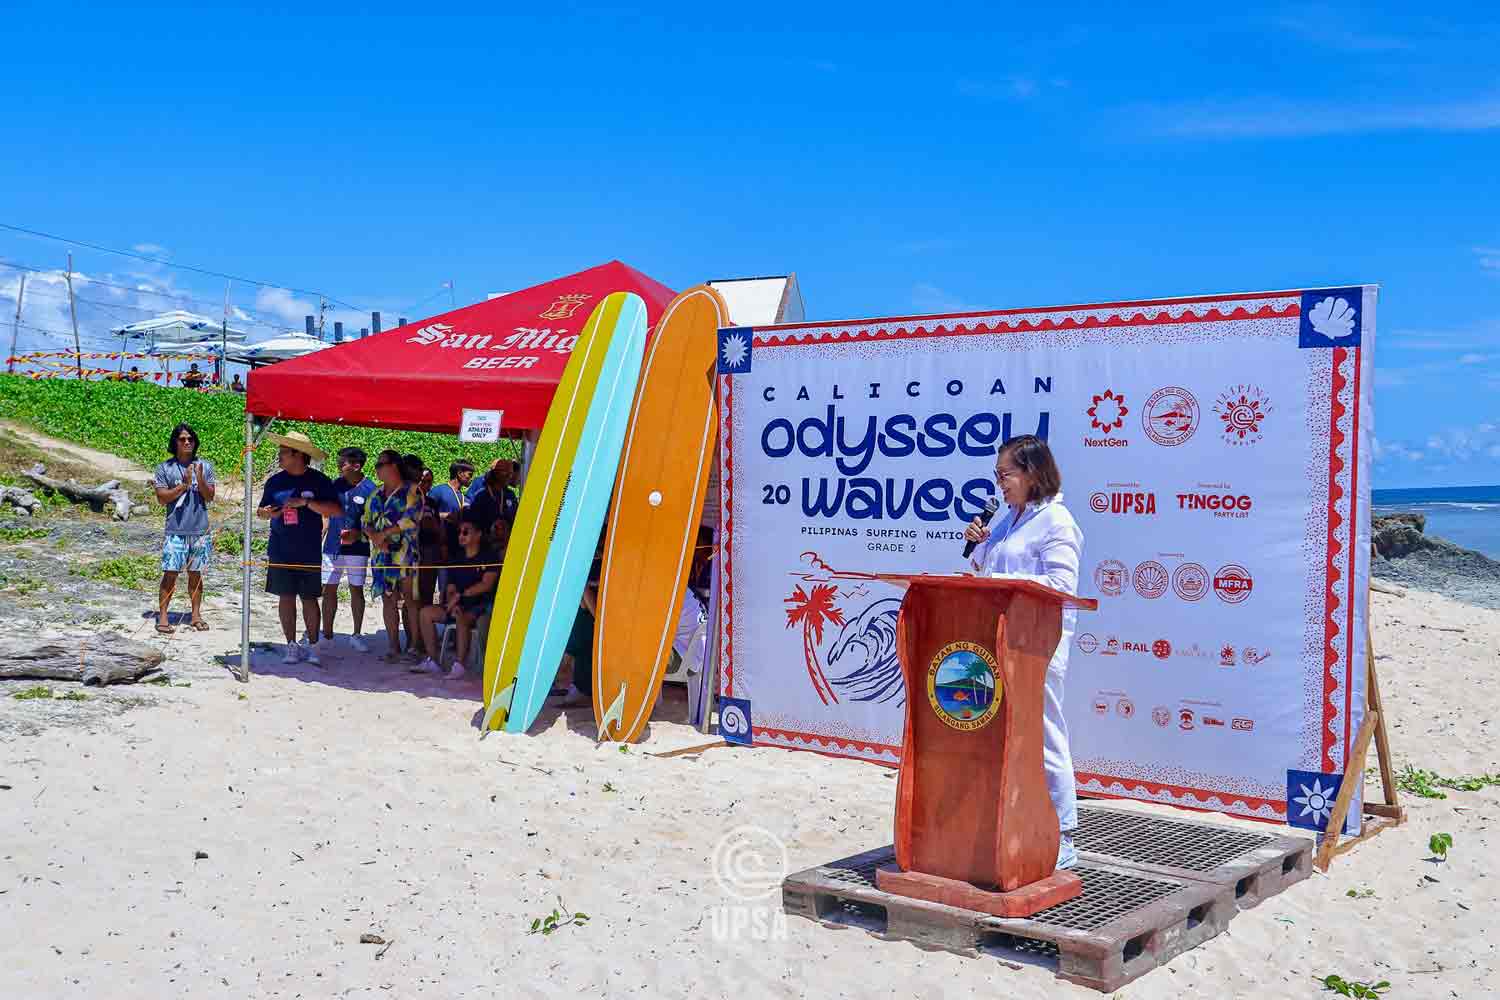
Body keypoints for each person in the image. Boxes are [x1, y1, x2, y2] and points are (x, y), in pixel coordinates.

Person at [962, 434, 1084, 871]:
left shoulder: (1057, 521)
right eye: (996, 476)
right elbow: (983, 569)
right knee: (1005, 732)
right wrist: (978, 542)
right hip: (1000, 640)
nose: (1000, 484)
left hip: (1038, 644)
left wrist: (1014, 593)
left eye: (1006, 475)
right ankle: (1013, 820)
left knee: (1044, 730)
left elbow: (1061, 587)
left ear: (1033, 472)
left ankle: (1064, 832)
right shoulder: (1009, 519)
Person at [257, 432, 341, 666]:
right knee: (285, 596)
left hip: (309, 548)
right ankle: (291, 645)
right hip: (280, 547)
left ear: (298, 455)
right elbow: (261, 510)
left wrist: (306, 503)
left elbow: (335, 510)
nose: (279, 456)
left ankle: (313, 646)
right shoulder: (275, 481)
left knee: (310, 598)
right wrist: (266, 513)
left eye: (283, 452)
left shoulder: (319, 480)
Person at [415, 511, 499, 679]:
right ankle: (433, 660)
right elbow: (451, 586)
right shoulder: (456, 558)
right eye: (459, 532)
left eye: (466, 532)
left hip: (479, 607)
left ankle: (460, 664)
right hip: (456, 604)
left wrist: (459, 597)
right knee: (425, 613)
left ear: (478, 534)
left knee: (461, 617)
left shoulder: (489, 557)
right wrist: (453, 600)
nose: (461, 535)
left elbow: (486, 585)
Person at [152, 423, 216, 634]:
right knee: (170, 573)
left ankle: (196, 615)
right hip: (175, 530)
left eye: (190, 439)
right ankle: (163, 617)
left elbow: (210, 496)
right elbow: (162, 498)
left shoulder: (205, 467)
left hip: (200, 531)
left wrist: (199, 479)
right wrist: (183, 485)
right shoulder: (165, 468)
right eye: (182, 439)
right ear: (175, 442)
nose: (187, 442)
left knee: (196, 574)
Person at [363, 449, 423, 663]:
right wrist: (374, 536)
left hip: (405, 555)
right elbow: (366, 521)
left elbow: (410, 520)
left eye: (380, 464)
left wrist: (384, 534)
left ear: (394, 466)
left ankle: (415, 646)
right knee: (387, 600)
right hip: (381, 556)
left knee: (411, 601)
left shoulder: (412, 491)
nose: (377, 469)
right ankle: (393, 647)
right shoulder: (375, 494)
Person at [319, 447, 377, 654]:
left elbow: (375, 522)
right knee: (328, 590)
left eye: (342, 462)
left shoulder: (371, 489)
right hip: (333, 546)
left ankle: (357, 634)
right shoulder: (334, 485)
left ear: (357, 465)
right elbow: (325, 515)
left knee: (356, 590)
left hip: (357, 549)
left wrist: (358, 534)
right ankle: (326, 634)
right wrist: (322, 533)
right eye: (339, 460)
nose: (338, 464)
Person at [428, 459, 474, 556]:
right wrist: (445, 515)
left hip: (460, 548)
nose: (471, 478)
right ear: (460, 473)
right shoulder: (438, 491)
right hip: (441, 548)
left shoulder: (465, 498)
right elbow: (425, 515)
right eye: (470, 475)